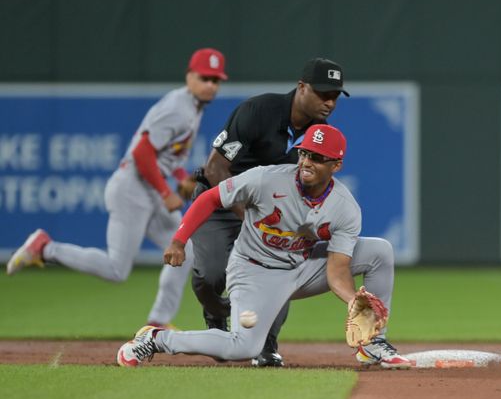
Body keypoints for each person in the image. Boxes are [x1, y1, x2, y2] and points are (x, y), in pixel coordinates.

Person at [116, 124, 410, 369]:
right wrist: (179, 240)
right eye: (305, 153)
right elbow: (209, 199)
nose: (307, 161)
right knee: (242, 346)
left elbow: (337, 269)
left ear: (336, 165)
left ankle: (371, 343)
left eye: (318, 157)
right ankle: (154, 339)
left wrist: (352, 301)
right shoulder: (266, 179)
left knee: (380, 251)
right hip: (254, 271)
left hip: (303, 266)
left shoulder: (345, 207)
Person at [6, 48, 227, 328]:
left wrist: (181, 176)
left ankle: (158, 322)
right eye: (204, 78)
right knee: (117, 269)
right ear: (189, 76)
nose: (210, 85)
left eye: (215, 80)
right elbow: (142, 153)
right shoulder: (178, 109)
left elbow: (166, 153)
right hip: (133, 189)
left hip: (147, 188)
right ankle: (46, 248)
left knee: (185, 250)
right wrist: (165, 191)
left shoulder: (191, 106)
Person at [191, 57, 360, 368]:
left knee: (280, 268)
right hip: (222, 200)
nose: (330, 101)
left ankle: (266, 344)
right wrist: (248, 220)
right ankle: (215, 315)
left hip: (270, 212)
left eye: (335, 95)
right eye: (323, 93)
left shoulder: (320, 134)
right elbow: (215, 168)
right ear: (301, 88)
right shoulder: (259, 111)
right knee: (211, 273)